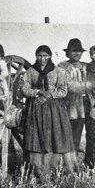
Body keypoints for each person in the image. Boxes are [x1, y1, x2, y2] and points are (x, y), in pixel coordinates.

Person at [22, 45, 77, 177]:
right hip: (36, 109)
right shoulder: (31, 71)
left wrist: (49, 95)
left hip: (55, 110)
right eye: (40, 56)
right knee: (37, 138)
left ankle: (57, 170)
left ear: (50, 56)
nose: (42, 59)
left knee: (56, 137)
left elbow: (63, 91)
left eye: (45, 56)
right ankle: (39, 172)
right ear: (36, 56)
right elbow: (24, 89)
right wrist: (39, 92)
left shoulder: (58, 71)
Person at [58, 38, 95, 169]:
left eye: (79, 51)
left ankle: (90, 165)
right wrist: (90, 85)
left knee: (94, 136)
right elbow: (70, 86)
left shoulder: (89, 66)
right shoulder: (62, 67)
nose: (77, 54)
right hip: (74, 107)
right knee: (73, 137)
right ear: (68, 53)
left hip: (92, 105)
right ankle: (72, 168)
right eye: (73, 51)